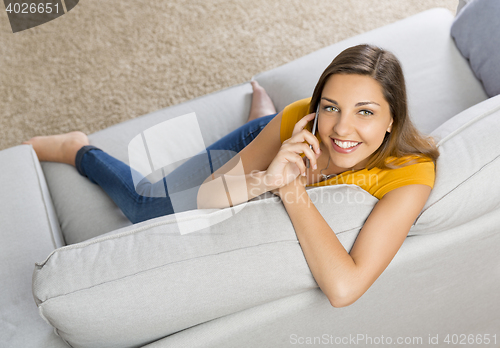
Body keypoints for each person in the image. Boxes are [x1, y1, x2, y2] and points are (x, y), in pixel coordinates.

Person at [24, 44, 439, 307]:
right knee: (146, 204)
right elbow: (204, 196)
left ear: (392, 120)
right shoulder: (302, 119)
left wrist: (291, 188)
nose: (341, 129)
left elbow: (344, 289)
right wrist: (266, 176)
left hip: (276, 152)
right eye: (331, 107)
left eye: (365, 112)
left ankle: (260, 116)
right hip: (270, 138)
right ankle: (79, 148)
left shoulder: (411, 173)